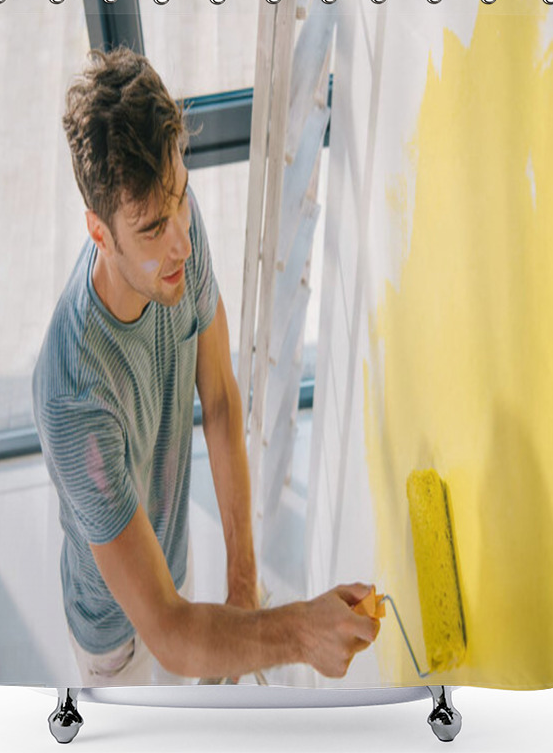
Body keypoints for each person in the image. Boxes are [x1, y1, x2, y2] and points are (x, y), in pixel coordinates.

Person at [32, 46, 379, 686]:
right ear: (99, 233)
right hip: (116, 634)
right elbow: (166, 630)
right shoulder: (74, 396)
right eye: (153, 226)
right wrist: (300, 632)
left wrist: (243, 581)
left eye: (183, 197)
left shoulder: (178, 242)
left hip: (171, 559)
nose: (182, 244)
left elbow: (218, 400)